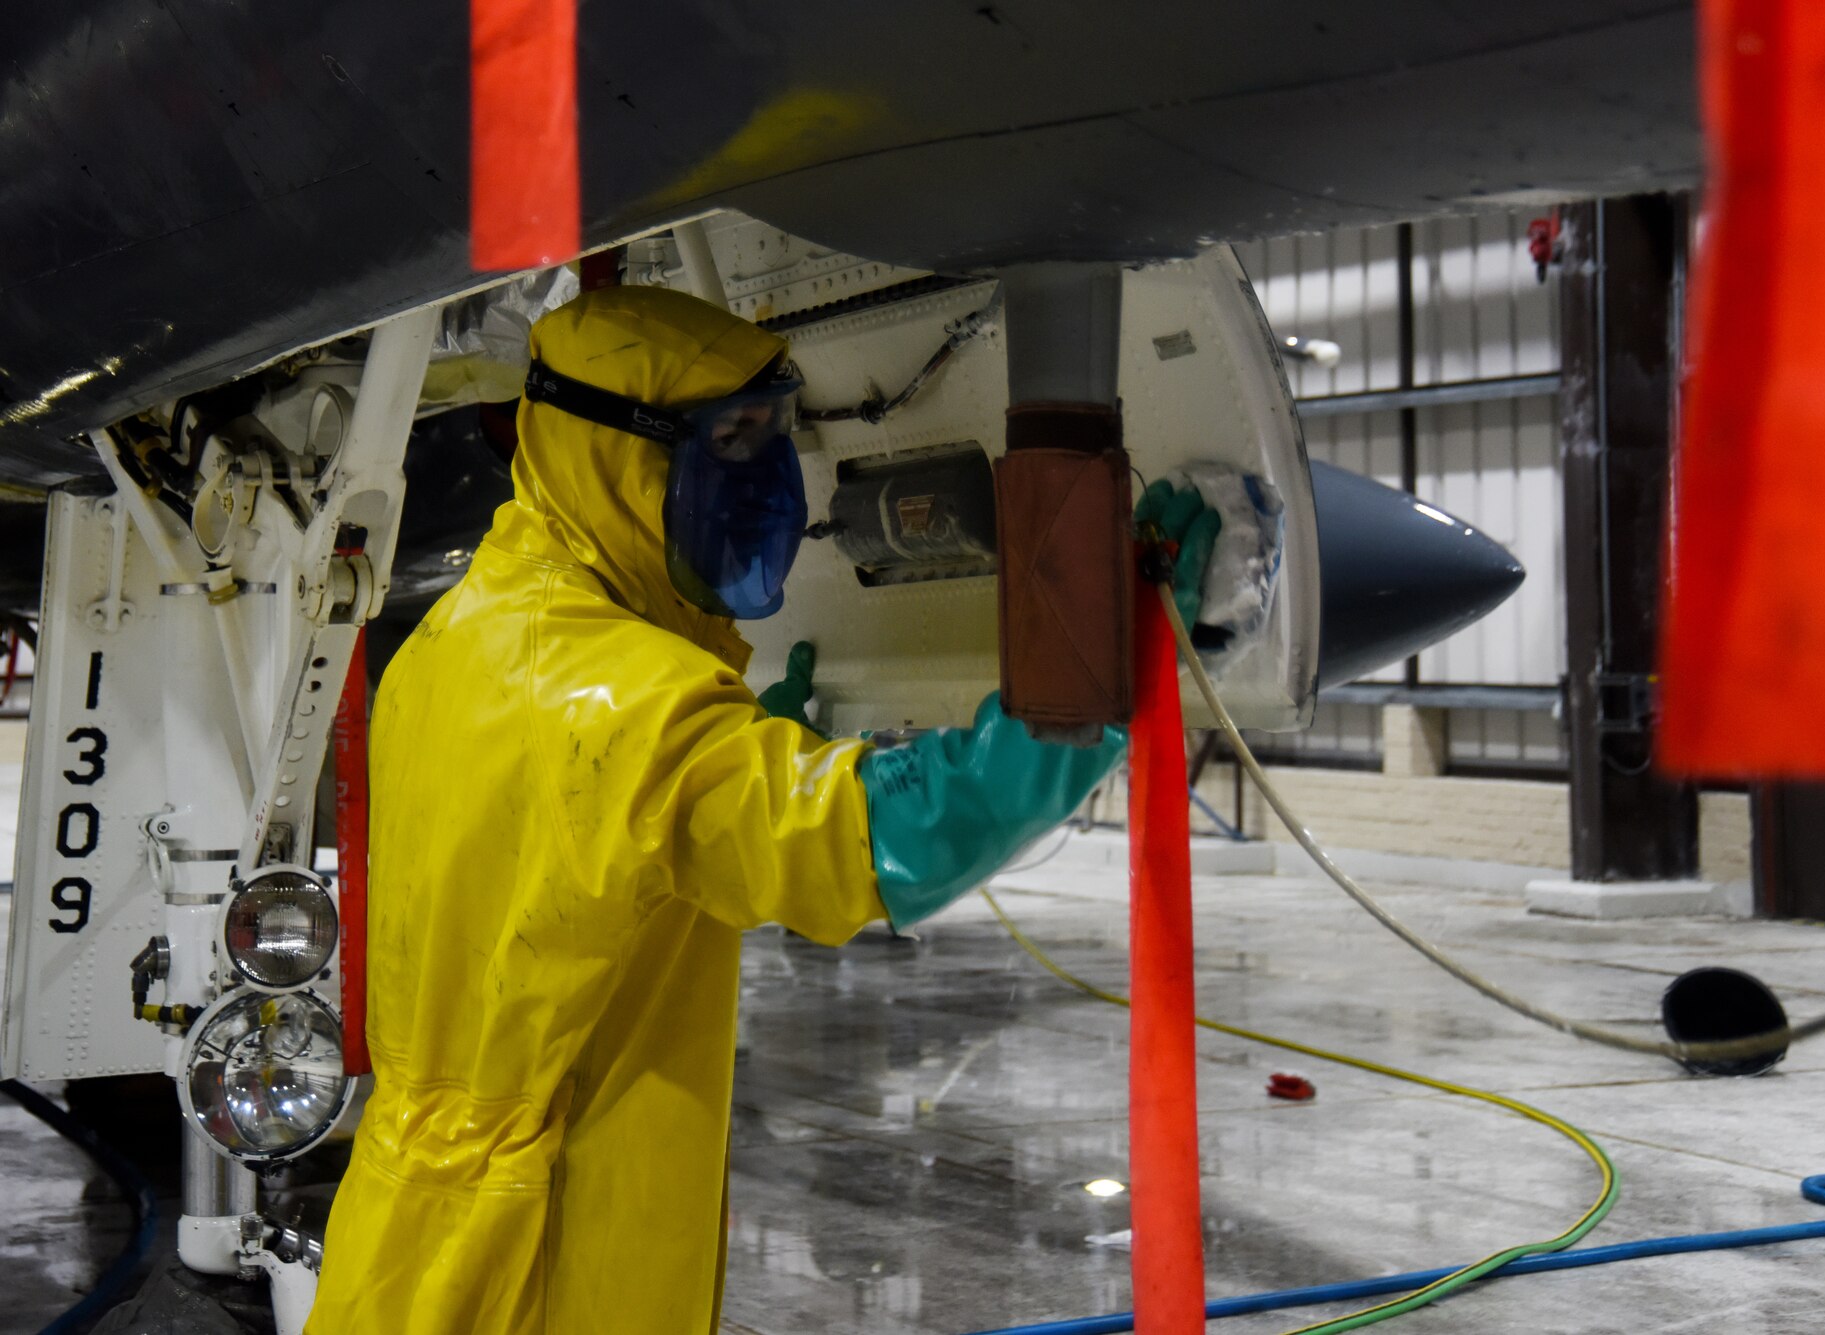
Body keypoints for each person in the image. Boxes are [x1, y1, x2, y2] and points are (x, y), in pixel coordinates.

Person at [306, 285, 1216, 1334]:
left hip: (412, 1233)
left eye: (773, 434)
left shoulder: (454, 640)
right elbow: (884, 845)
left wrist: (742, 745)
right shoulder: (635, 708)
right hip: (547, 1257)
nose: (769, 483)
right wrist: (1091, 681)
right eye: (730, 441)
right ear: (618, 455)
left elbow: (582, 875)